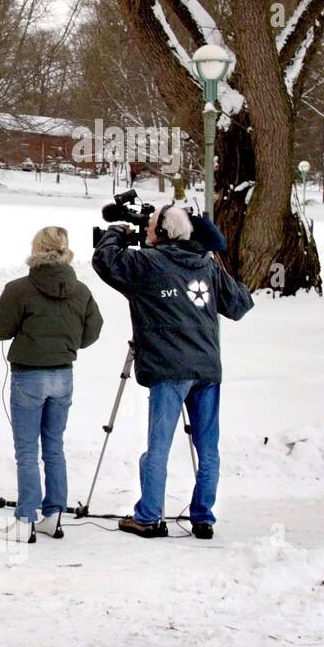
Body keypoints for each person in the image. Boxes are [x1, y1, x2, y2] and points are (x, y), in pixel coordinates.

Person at [93, 206, 253, 539]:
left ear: (163, 234)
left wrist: (116, 233)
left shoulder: (146, 264)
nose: (147, 231)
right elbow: (238, 304)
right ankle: (203, 517)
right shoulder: (206, 266)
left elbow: (104, 260)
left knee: (159, 446)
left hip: (168, 370)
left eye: (151, 227)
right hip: (207, 369)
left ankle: (148, 517)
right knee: (208, 448)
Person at [0, 227, 103, 542]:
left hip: (29, 376)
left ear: (37, 249)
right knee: (54, 448)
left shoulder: (20, 288)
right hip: (63, 375)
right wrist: (67, 344)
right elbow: (93, 330)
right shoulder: (81, 291)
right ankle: (53, 516)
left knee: (26, 450)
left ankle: (24, 521)